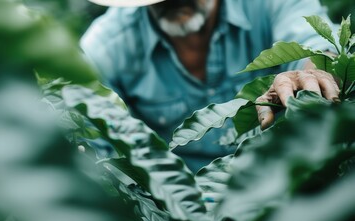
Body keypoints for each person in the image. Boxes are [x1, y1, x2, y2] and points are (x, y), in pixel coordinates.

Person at [80, 0, 340, 172]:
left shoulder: (269, 4)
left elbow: (320, 51)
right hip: (186, 214)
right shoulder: (106, 48)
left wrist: (311, 75)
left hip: (283, 181)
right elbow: (101, 153)